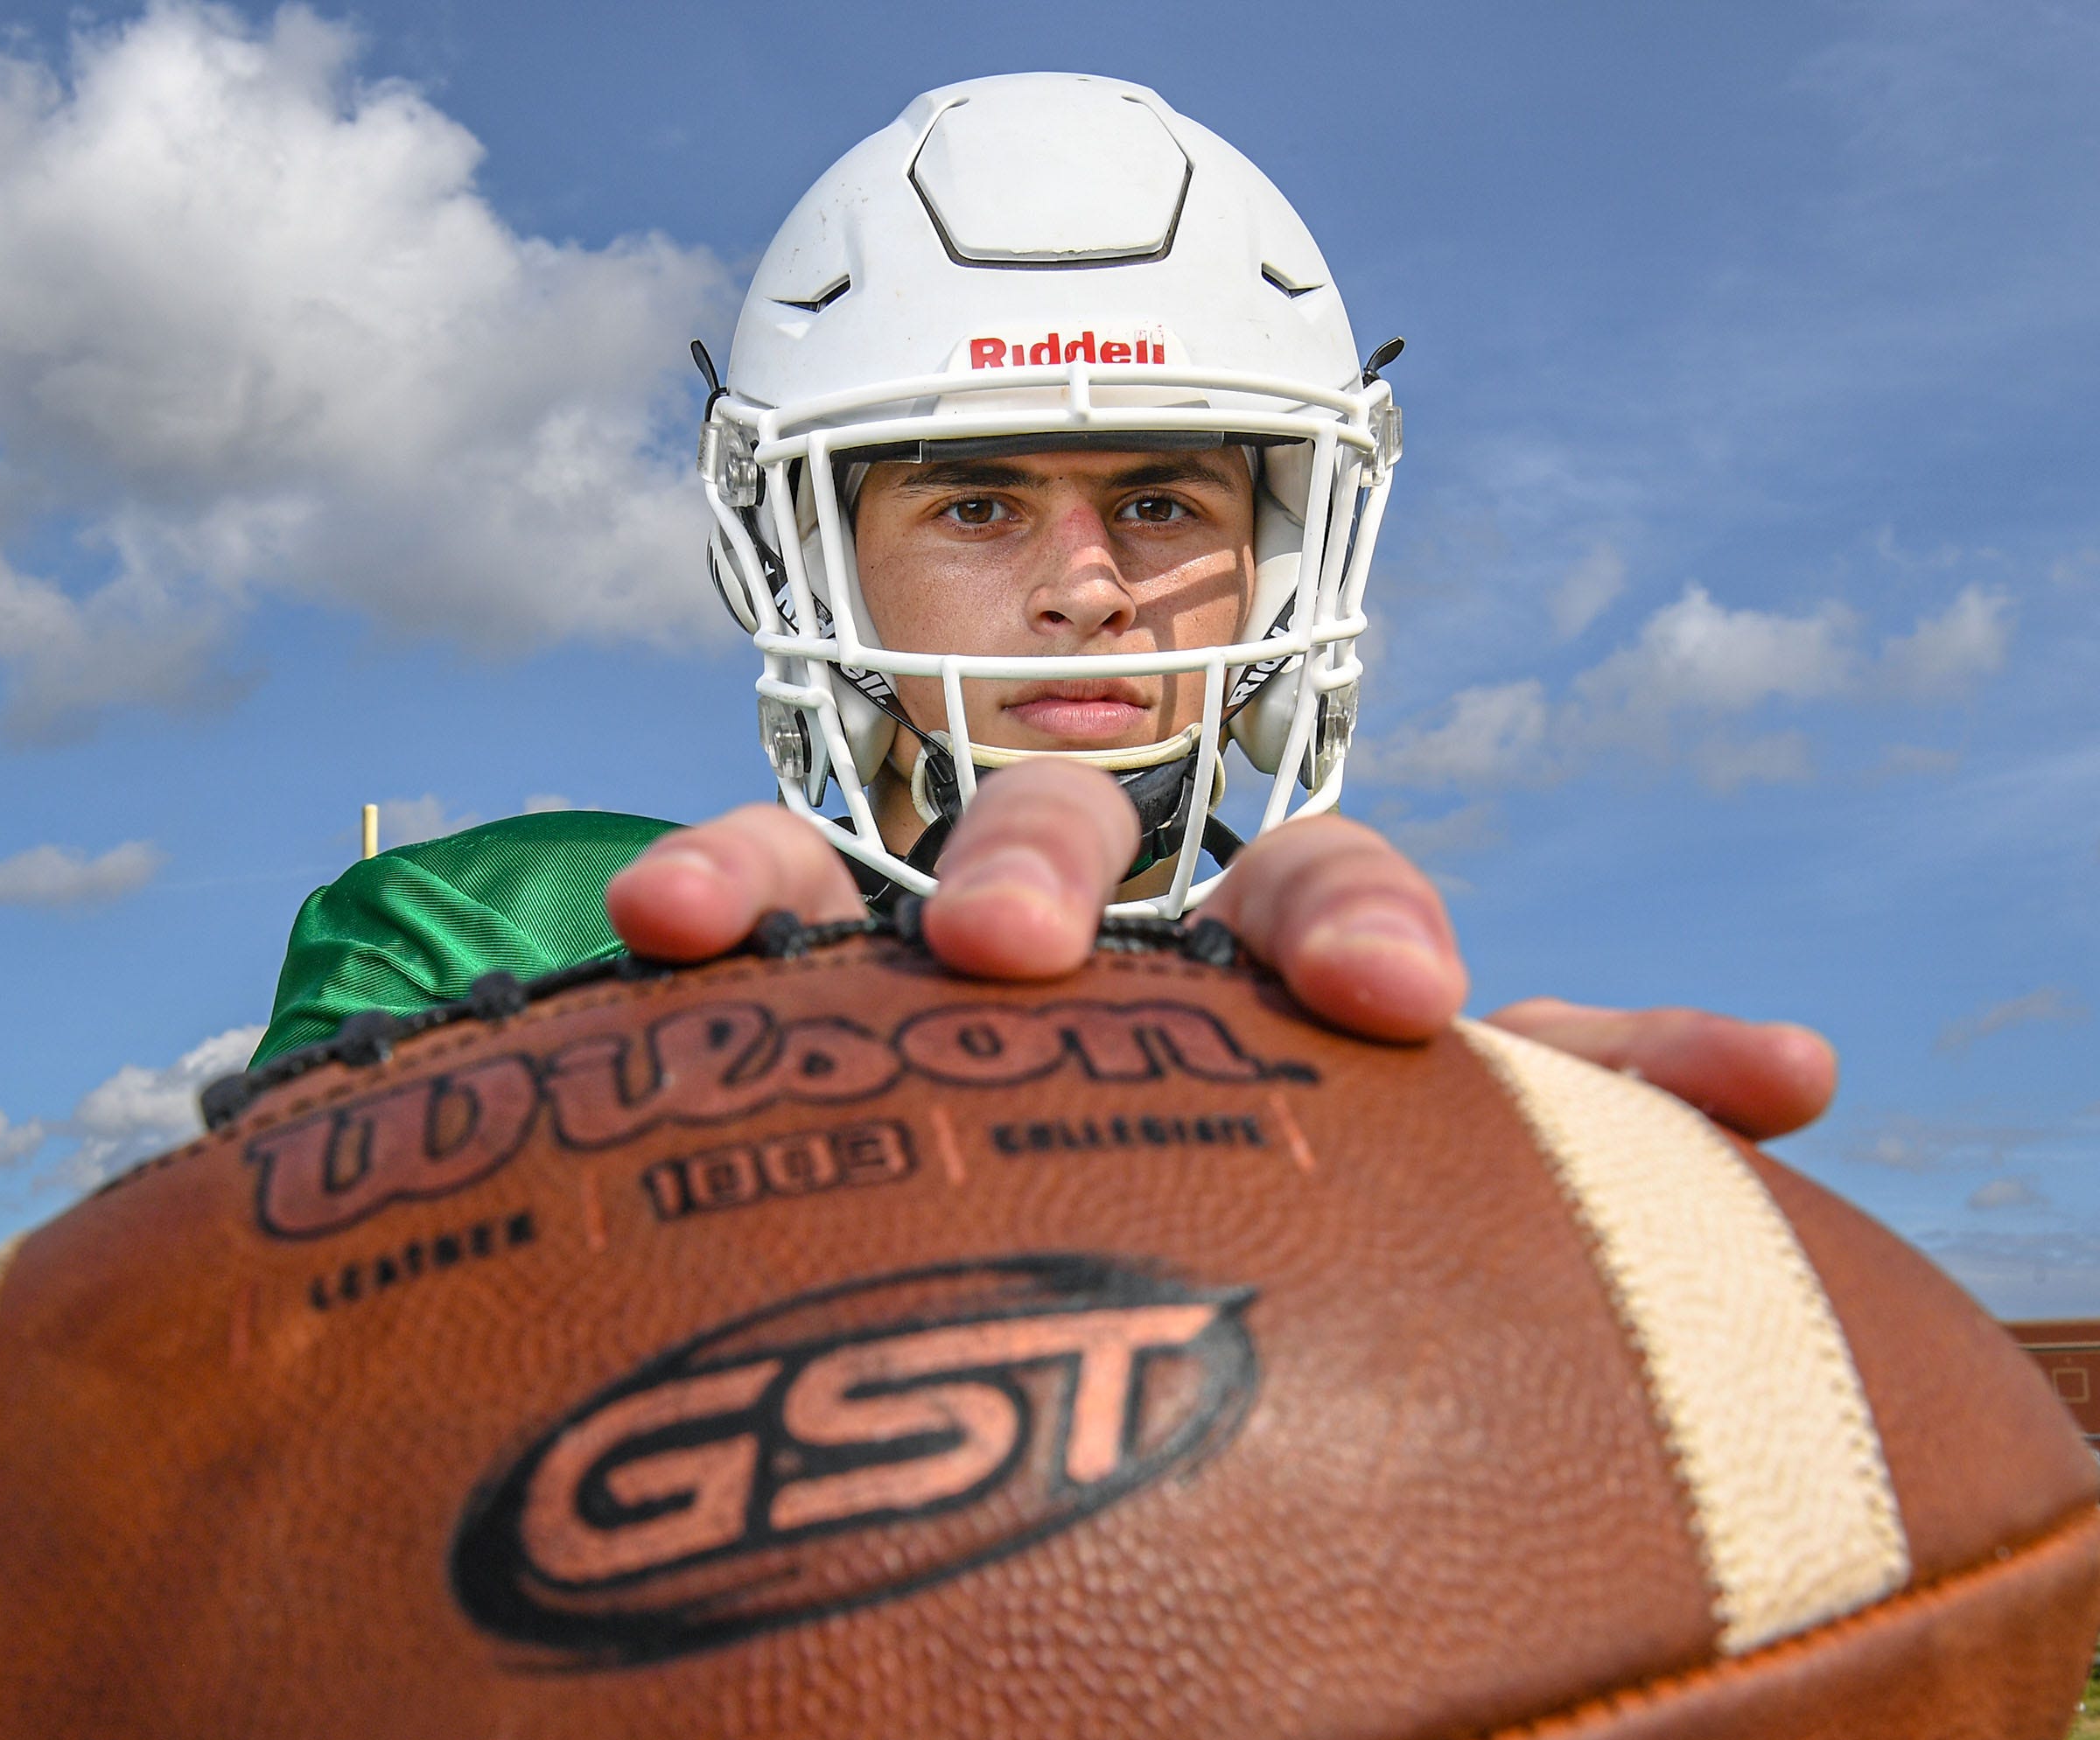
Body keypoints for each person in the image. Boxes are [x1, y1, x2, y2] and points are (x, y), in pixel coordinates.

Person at [252, 73, 1832, 1143]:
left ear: (1286, 557)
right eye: (977, 504)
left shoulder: (1382, 1088)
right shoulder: (490, 952)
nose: (1089, 588)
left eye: (1161, 504)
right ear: (810, 560)